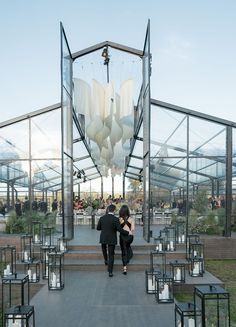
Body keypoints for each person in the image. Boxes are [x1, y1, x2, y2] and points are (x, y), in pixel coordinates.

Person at [97, 204, 129, 277]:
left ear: (108, 210)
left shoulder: (102, 218)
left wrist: (105, 228)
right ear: (114, 210)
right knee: (111, 255)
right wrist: (127, 232)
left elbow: (98, 228)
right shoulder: (115, 219)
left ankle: (105, 260)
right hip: (112, 238)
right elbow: (119, 229)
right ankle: (110, 272)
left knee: (104, 248)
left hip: (103, 238)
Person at [119, 204, 135, 275]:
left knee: (123, 252)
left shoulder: (120, 219)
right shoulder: (131, 219)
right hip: (130, 238)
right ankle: (129, 256)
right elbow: (133, 230)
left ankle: (125, 269)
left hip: (122, 237)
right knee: (127, 246)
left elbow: (119, 229)